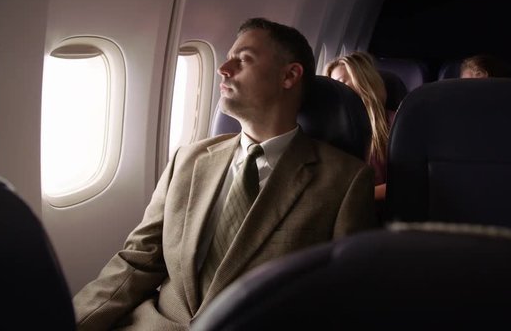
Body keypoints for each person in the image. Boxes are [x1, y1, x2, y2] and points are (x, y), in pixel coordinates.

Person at [72, 17, 376, 330]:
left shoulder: (344, 181)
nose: (223, 68)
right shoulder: (188, 160)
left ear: (289, 75)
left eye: (243, 59)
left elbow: (341, 302)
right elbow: (137, 262)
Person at [325, 51, 394, 203]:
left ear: (364, 82)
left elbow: (406, 183)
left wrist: (352, 199)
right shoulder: (329, 128)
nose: (335, 91)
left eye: (341, 83)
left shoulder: (396, 123)